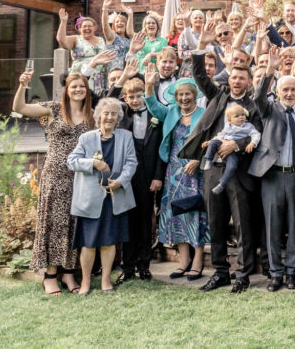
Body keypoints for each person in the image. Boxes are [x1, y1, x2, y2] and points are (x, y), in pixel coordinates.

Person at [179, 54, 263, 295]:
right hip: (213, 169)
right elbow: (199, 77)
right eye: (233, 77)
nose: (237, 81)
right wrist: (201, 49)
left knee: (242, 225)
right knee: (215, 222)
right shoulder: (218, 96)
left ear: (248, 81)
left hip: (239, 172)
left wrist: (236, 145)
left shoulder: (254, 105)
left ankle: (243, 275)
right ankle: (220, 272)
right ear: (229, 78)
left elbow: (259, 133)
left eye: (242, 78)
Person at [14, 70, 91, 296]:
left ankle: (69, 272)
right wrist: (22, 86)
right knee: (54, 222)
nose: (78, 90)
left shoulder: (90, 114)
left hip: (80, 176)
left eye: (82, 87)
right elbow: (20, 108)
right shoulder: (53, 108)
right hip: (55, 174)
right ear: (66, 89)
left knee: (74, 223)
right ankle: (50, 275)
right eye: (74, 86)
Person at [249, 47, 295, 291]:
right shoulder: (269, 109)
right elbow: (256, 98)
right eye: (285, 89)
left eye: (292, 89)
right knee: (273, 226)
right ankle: (275, 273)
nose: (289, 93)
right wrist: (270, 71)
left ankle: (291, 273)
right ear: (277, 92)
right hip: (273, 176)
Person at [66, 97, 138, 295]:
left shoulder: (125, 136)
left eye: (114, 114)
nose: (109, 117)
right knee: (88, 244)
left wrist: (121, 181)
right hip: (90, 199)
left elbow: (131, 163)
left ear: (118, 117)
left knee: (109, 242)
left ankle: (106, 280)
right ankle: (87, 282)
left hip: (114, 199)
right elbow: (71, 161)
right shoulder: (87, 138)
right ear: (98, 116)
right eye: (106, 113)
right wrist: (93, 163)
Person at [146, 69, 208, 282]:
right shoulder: (171, 112)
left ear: (194, 95)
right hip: (174, 172)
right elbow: (153, 106)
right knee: (179, 214)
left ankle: (198, 260)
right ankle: (184, 261)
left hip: (195, 171)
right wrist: (148, 85)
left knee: (196, 215)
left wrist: (198, 159)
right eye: (180, 95)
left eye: (187, 94)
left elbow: (211, 141)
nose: (183, 98)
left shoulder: (204, 114)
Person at [112, 74, 166, 284]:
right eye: (130, 97)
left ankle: (144, 265)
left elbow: (163, 149)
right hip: (127, 176)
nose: (134, 100)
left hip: (148, 174)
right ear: (125, 98)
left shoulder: (157, 115)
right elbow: (105, 101)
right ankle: (127, 266)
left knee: (145, 221)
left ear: (145, 95)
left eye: (138, 95)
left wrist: (157, 176)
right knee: (128, 221)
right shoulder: (122, 116)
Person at [202, 104, 261, 194]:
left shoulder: (248, 126)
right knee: (213, 142)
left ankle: (222, 184)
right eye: (237, 116)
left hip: (233, 152)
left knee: (232, 166)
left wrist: (253, 143)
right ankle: (208, 160)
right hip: (222, 144)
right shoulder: (228, 126)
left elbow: (256, 134)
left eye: (243, 115)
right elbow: (220, 135)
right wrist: (209, 142)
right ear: (230, 120)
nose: (241, 117)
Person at [58, 8, 108, 92]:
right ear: (79, 28)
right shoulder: (75, 39)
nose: (87, 28)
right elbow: (61, 40)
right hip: (80, 77)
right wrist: (63, 22)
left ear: (94, 28)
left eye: (90, 26)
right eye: (84, 26)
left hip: (99, 78)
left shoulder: (101, 40)